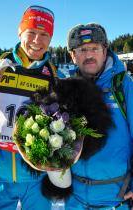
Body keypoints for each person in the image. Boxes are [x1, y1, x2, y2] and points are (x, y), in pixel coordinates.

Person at [0, 5, 56, 210]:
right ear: (19, 31)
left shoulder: (54, 77)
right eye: (31, 32)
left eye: (44, 34)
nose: (36, 40)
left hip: (36, 178)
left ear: (50, 38)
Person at [62, 23, 133, 209]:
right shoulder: (65, 90)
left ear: (104, 50)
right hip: (74, 199)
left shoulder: (123, 85)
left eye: (94, 48)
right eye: (82, 49)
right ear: (73, 55)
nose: (89, 55)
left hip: (116, 198)